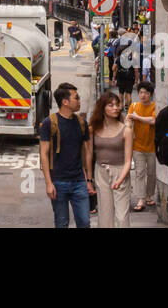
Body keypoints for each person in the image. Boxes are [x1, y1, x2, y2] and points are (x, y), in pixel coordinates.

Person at [38, 83, 93, 228]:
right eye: (77, 98)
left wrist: (89, 180)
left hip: (79, 181)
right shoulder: (49, 123)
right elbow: (43, 154)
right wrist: (49, 183)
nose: (79, 101)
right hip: (58, 182)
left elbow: (87, 152)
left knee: (85, 222)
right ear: (65, 102)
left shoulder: (82, 123)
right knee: (62, 223)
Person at [89, 90, 133, 228]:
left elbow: (128, 161)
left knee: (122, 216)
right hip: (100, 171)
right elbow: (89, 155)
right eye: (111, 105)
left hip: (121, 172)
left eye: (117, 105)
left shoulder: (126, 130)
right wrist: (89, 179)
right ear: (102, 108)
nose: (115, 108)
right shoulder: (93, 129)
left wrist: (120, 179)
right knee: (104, 214)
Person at [127, 82, 158, 211]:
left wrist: (137, 117)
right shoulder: (134, 106)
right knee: (139, 173)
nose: (142, 95)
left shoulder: (155, 106)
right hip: (137, 146)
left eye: (146, 92)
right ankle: (140, 199)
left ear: (150, 94)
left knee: (151, 173)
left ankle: (149, 195)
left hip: (152, 146)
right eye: (140, 92)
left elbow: (153, 120)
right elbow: (128, 121)